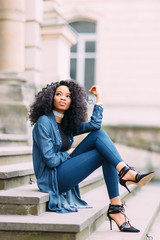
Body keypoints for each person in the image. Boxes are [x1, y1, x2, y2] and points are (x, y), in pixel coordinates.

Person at [29, 80, 154, 233]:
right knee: (104, 151)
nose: (63, 98)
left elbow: (95, 126)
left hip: (64, 169)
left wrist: (99, 99)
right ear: (50, 98)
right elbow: (50, 160)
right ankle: (124, 178)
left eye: (68, 96)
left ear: (72, 102)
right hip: (52, 178)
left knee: (100, 137)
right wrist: (68, 153)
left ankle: (116, 205)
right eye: (59, 94)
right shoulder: (43, 123)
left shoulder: (67, 124)